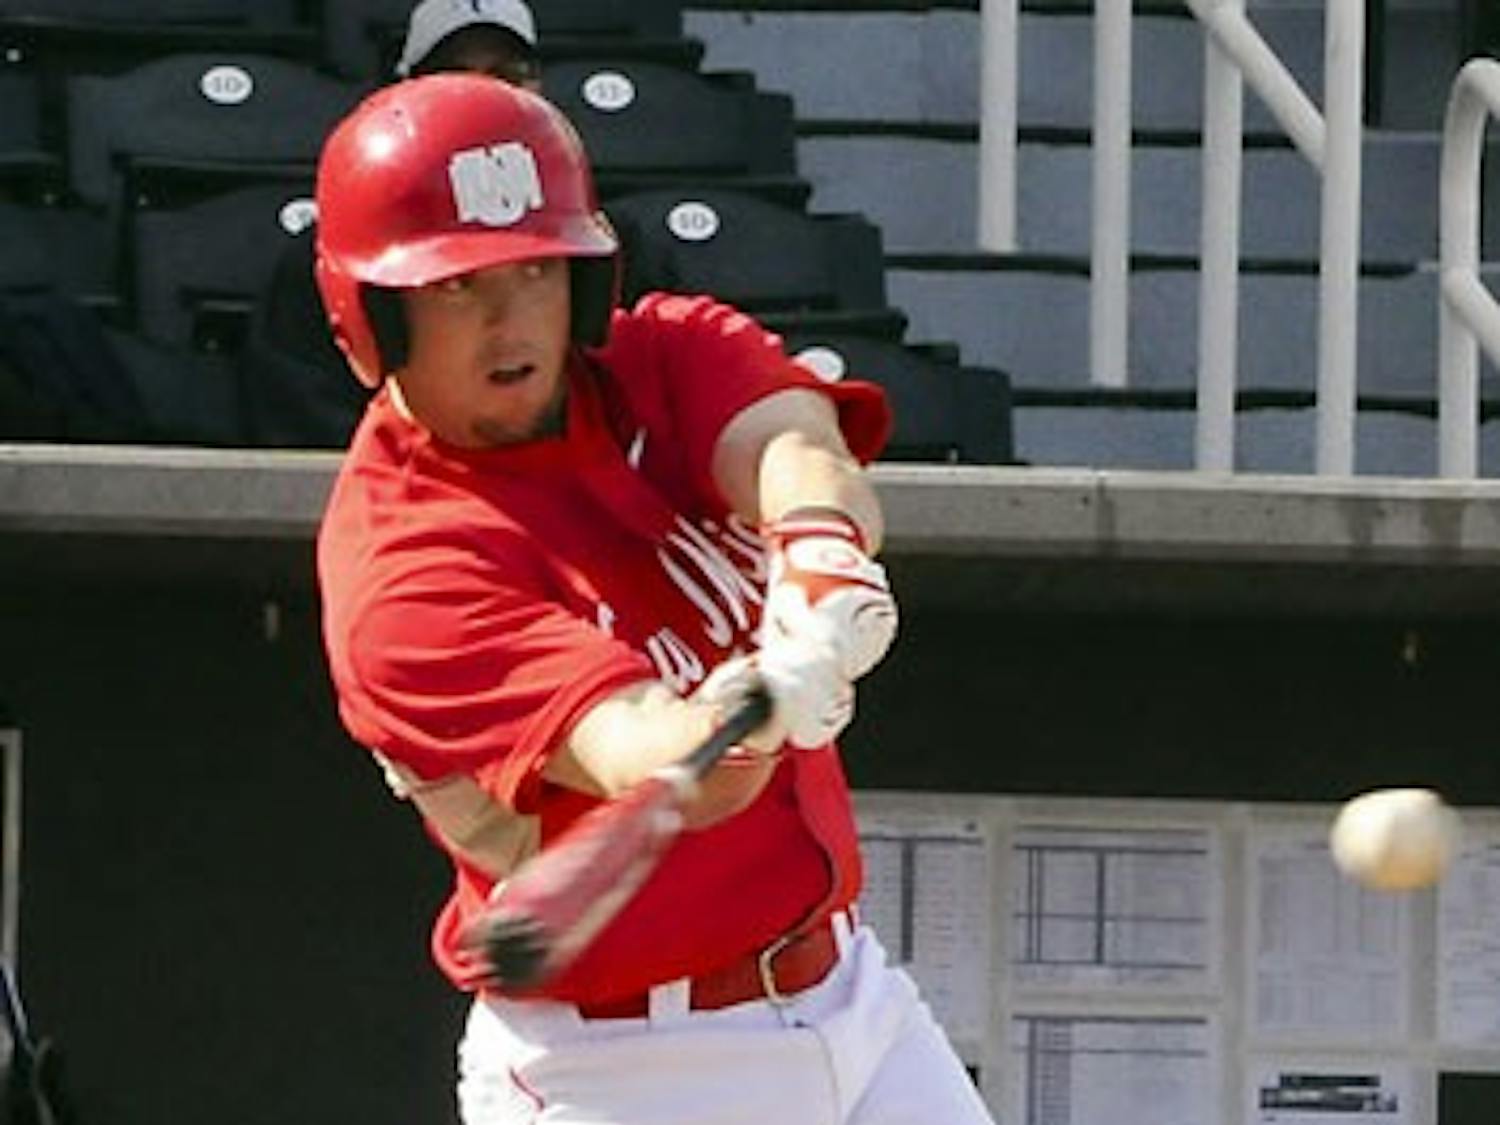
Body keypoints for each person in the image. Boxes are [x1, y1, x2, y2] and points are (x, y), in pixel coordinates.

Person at [314, 75, 996, 1125]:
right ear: (373, 319)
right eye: (456, 288)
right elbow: (653, 755)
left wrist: (818, 557)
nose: (509, 319)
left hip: (851, 997)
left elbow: (794, 449)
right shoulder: (403, 572)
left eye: (537, 269)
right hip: (625, 1068)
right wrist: (757, 705)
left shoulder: (661, 353)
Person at [242, 0, 543, 447]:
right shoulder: (332, 254)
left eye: (508, 73)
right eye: (453, 74)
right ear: (406, 90)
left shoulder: (597, 244)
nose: (482, 94)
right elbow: (305, 417)